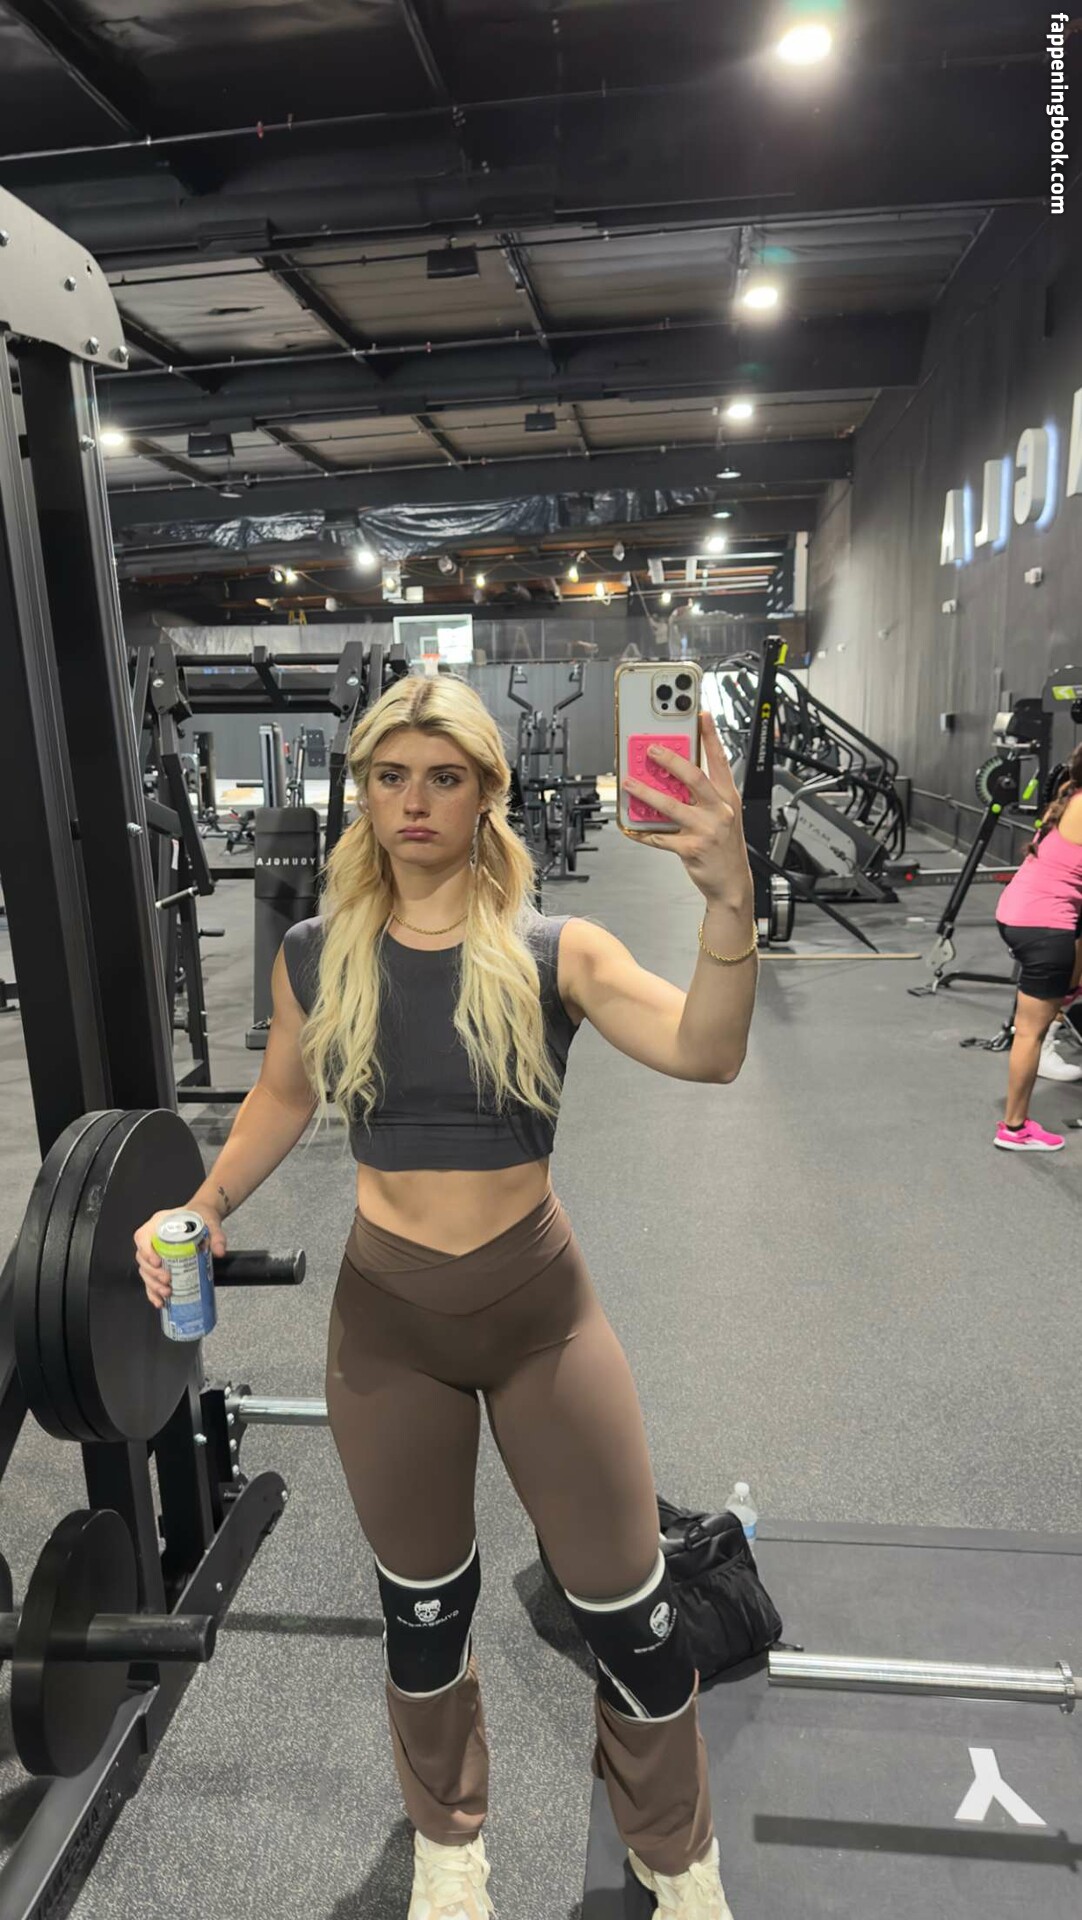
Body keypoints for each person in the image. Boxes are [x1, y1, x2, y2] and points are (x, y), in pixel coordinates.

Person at [133, 673, 758, 1919]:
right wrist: (202, 1204)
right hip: (388, 1329)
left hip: (541, 1320)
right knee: (422, 1614)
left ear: (485, 796)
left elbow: (709, 1050)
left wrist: (728, 897)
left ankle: (673, 1845)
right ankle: (449, 1841)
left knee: (630, 1611)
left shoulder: (556, 950)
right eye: (389, 777)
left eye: (443, 777)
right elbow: (282, 1096)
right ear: (363, 795)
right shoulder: (317, 956)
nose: (413, 801)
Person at [994, 742, 1082, 1152]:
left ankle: (1064, 1000)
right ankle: (1014, 1128)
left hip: (1018, 915)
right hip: (1044, 927)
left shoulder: (1070, 798)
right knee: (1030, 1032)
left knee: (1030, 1026)